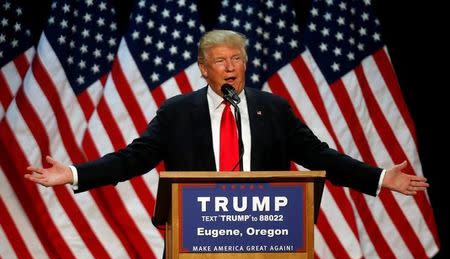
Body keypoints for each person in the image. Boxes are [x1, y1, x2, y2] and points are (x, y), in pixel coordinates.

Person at [24, 29, 428, 197]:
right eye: (221, 61)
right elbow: (133, 159)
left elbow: (320, 157)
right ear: (203, 67)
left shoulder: (273, 109)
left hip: (267, 238)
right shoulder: (178, 112)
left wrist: (379, 178)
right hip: (196, 239)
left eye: (237, 58)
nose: (231, 66)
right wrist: (73, 173)